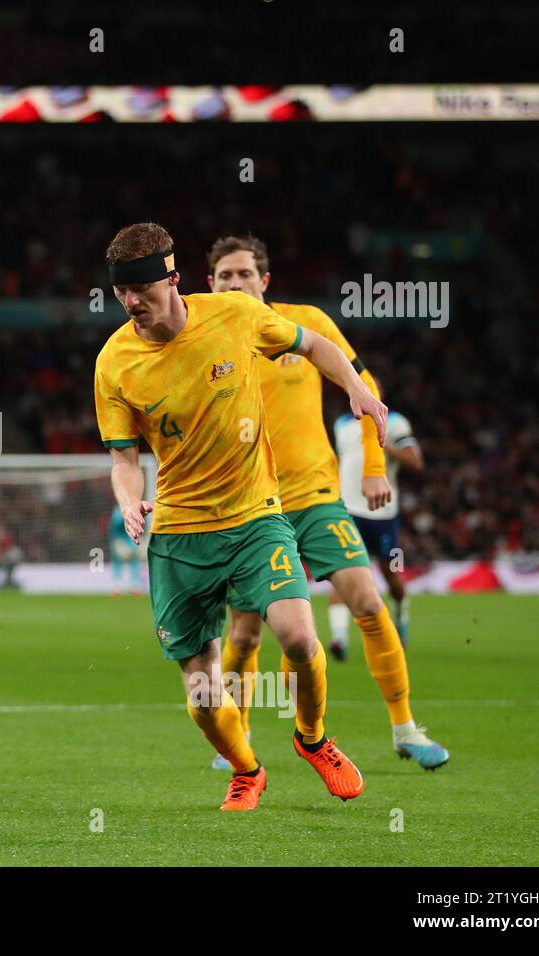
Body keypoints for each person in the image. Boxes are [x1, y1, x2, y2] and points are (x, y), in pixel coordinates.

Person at [95, 222, 382, 811]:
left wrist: (355, 388)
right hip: (179, 533)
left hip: (255, 516)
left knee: (300, 639)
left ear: (173, 280)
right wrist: (128, 499)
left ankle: (313, 738)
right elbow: (124, 457)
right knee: (202, 695)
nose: (131, 304)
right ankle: (247, 768)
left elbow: (315, 345)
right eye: (121, 293)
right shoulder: (113, 362)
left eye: (141, 291)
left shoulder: (235, 315)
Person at [206, 235, 448, 772]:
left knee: (366, 599)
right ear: (211, 284)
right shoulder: (207, 339)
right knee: (244, 634)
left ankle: (405, 728)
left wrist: (377, 466)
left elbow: (360, 380)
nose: (235, 283)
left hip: (317, 496)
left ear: (264, 281)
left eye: (245, 274)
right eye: (225, 276)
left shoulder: (301, 322)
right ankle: (238, 737)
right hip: (249, 508)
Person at [329, 409, 425, 651]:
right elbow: (341, 461)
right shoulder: (341, 424)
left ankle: (401, 615)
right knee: (342, 572)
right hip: (347, 510)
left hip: (382, 512)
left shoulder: (395, 421)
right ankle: (339, 637)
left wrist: (384, 447)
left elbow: (415, 461)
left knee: (389, 572)